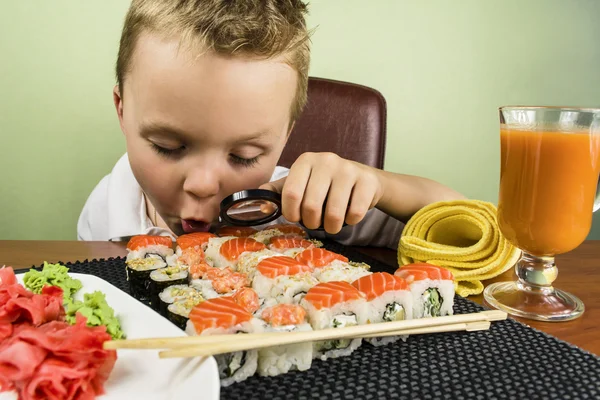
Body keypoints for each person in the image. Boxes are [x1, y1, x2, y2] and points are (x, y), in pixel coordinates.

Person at [77, 0, 464, 248]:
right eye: (167, 146)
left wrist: (379, 184)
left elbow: (471, 229)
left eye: (244, 156)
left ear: (285, 136)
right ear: (122, 111)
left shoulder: (294, 203)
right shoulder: (106, 208)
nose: (202, 184)